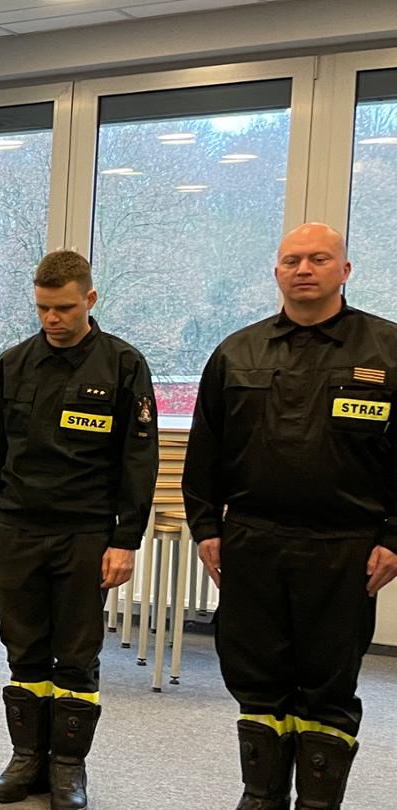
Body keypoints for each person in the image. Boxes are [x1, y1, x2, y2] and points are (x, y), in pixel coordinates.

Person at [183, 223, 397, 810]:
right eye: (292, 260)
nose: (304, 269)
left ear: (345, 271)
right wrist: (206, 528)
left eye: (319, 259)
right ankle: (262, 795)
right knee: (257, 675)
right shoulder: (236, 351)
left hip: (344, 547)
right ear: (277, 272)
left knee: (329, 682)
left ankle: (318, 803)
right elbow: (206, 453)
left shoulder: (388, 350)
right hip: (254, 543)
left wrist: (396, 538)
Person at [0, 250, 157, 809]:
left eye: (65, 308)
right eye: (44, 308)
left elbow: (138, 459)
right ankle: (27, 759)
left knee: (75, 653)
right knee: (23, 647)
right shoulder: (12, 364)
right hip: (18, 528)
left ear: (90, 300)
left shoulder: (123, 365)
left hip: (86, 533)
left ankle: (69, 766)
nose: (53, 319)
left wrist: (126, 539)